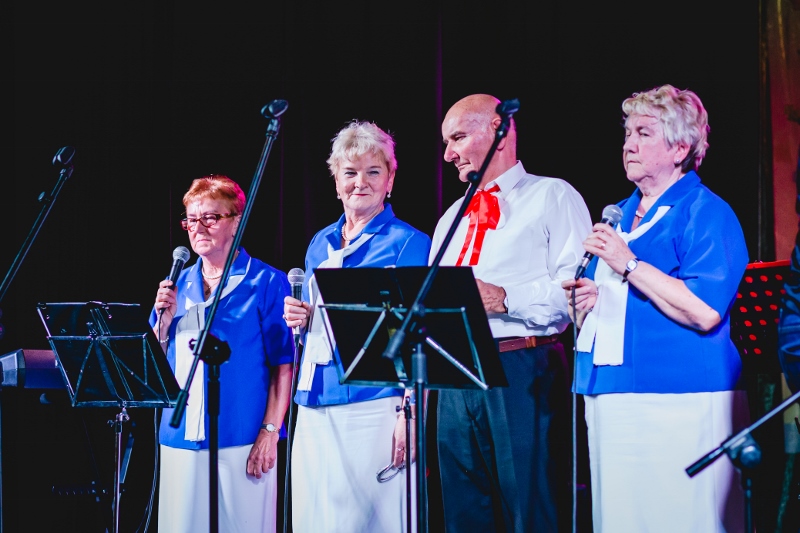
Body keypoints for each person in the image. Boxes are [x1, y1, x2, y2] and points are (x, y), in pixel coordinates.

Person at [561, 85, 749, 532]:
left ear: (681, 148)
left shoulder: (705, 211)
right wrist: (587, 304)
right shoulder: (618, 216)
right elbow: (625, 300)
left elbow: (704, 310)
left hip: (682, 396)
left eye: (644, 133)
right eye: (628, 133)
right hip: (609, 392)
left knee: (682, 518)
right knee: (622, 519)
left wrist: (628, 264)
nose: (629, 144)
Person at [431, 93, 592, 532]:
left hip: (522, 365)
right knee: (464, 513)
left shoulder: (552, 195)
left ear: (499, 131)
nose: (448, 155)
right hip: (455, 374)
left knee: (530, 508)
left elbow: (578, 294)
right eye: (446, 143)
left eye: (458, 138)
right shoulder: (451, 218)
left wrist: (504, 297)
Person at [282, 120, 431, 532]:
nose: (360, 182)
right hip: (313, 398)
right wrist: (304, 318)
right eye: (349, 172)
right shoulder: (320, 243)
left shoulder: (409, 243)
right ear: (336, 181)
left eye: (372, 171)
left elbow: (416, 335)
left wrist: (410, 412)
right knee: (315, 518)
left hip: (373, 403)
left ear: (390, 180)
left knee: (367, 521)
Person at [151, 174, 294, 533]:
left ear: (236, 222)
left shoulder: (266, 282)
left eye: (210, 217)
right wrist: (162, 327)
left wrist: (269, 432)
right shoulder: (176, 285)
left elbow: (283, 365)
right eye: (191, 219)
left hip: (243, 440)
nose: (198, 228)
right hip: (179, 437)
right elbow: (152, 364)